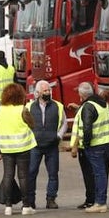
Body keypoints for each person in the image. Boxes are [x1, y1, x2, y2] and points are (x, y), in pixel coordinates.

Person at [69, 82, 109, 213]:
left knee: (98, 174)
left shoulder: (88, 106)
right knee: (102, 173)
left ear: (81, 95)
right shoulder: (102, 103)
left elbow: (87, 128)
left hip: (95, 145)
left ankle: (100, 202)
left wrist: (86, 144)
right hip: (106, 142)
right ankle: (101, 200)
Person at [0, 83, 36, 216]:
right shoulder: (22, 109)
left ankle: (8, 206)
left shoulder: (0, 110)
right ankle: (26, 205)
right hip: (23, 146)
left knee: (8, 175)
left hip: (6, 147)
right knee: (23, 176)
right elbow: (32, 124)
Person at [26, 79, 66, 210]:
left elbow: (64, 123)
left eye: (49, 90)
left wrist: (58, 136)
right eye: (45, 91)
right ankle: (30, 200)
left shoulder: (58, 106)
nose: (48, 92)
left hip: (52, 146)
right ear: (37, 93)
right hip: (35, 146)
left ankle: (51, 199)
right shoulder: (29, 107)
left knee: (53, 173)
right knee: (31, 173)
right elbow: (25, 125)